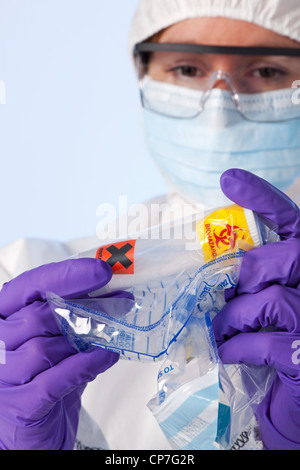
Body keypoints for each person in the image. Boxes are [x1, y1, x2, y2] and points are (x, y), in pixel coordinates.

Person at [0, 0, 300, 450]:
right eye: (185, 67)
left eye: (267, 72)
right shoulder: (27, 287)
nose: (219, 103)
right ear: (143, 76)